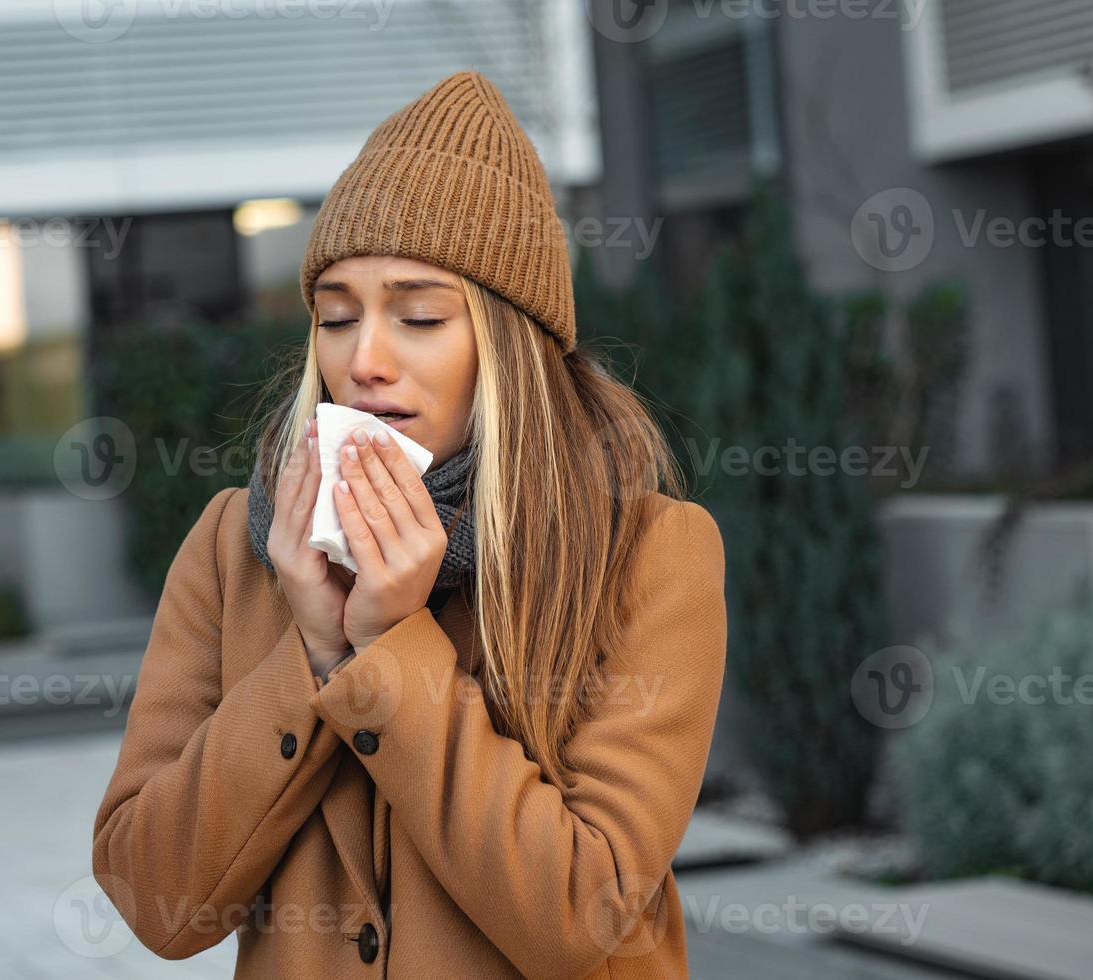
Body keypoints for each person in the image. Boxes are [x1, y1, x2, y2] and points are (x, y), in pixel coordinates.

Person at [92, 69, 727, 979]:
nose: (365, 359)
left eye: (420, 314)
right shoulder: (239, 544)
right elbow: (157, 898)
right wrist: (310, 655)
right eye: (335, 317)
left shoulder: (649, 557)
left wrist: (388, 647)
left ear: (510, 347)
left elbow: (582, 916)